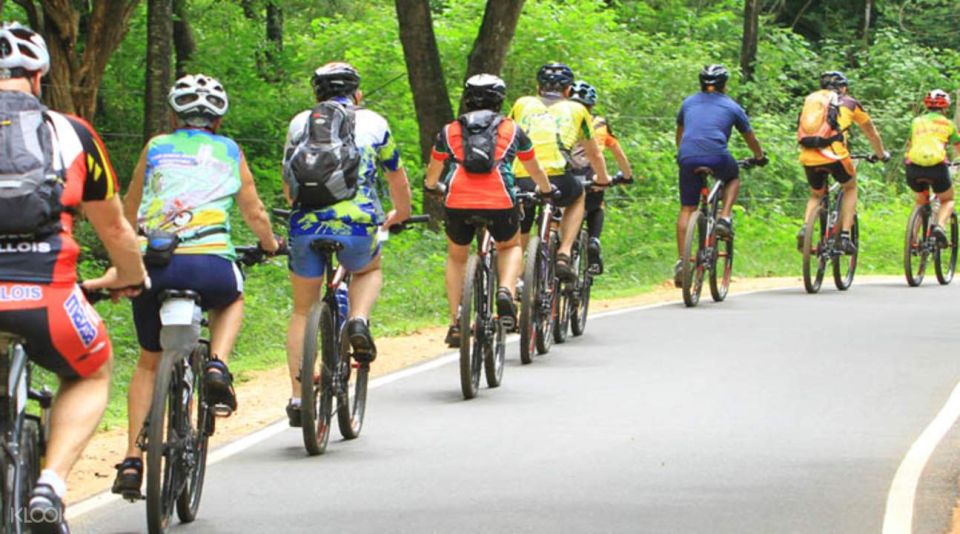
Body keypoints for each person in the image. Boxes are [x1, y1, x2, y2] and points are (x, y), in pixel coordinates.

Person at [0, 22, 147, 532]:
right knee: (92, 371)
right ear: (38, 76)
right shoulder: (72, 133)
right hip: (47, 298)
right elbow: (114, 227)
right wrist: (130, 276)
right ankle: (50, 485)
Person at [108, 73, 280, 497]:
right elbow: (254, 210)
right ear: (218, 119)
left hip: (157, 264)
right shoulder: (229, 150)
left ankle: (132, 460)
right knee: (233, 298)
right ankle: (218, 362)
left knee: (149, 362)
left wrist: (126, 249)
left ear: (174, 115)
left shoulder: (156, 146)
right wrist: (270, 244)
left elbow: (128, 207)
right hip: (210, 265)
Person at [282, 62, 412, 426]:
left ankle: (297, 396)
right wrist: (400, 212)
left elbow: (289, 183)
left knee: (302, 309)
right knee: (368, 269)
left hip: (306, 224)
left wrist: (299, 210)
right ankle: (357, 319)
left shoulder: (299, 123)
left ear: (316, 95)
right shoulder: (375, 123)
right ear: (357, 92)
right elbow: (395, 175)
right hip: (357, 223)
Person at [424, 74, 553, 348]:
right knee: (508, 246)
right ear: (500, 100)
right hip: (499, 200)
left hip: (457, 201)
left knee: (457, 257)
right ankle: (505, 291)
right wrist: (545, 189)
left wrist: (433, 186)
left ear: (467, 98)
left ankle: (457, 321)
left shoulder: (450, 130)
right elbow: (534, 168)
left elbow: (434, 171)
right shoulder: (512, 129)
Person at [508, 62, 610, 282]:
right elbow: (594, 154)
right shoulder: (578, 110)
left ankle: (514, 281)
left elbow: (507, 135)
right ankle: (564, 251)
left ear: (538, 87)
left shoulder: (522, 104)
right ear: (567, 90)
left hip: (522, 176)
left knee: (521, 228)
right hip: (557, 177)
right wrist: (602, 179)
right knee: (578, 196)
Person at [675, 64, 766, 286]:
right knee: (733, 176)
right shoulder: (732, 106)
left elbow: (680, 133)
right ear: (724, 85)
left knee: (687, 208)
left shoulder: (687, 103)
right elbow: (750, 138)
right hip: (717, 156)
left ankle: (682, 261)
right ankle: (724, 217)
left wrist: (682, 155)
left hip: (687, 156)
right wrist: (759, 156)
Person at [797, 71, 889, 253]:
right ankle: (845, 236)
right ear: (844, 88)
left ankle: (806, 227)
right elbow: (871, 132)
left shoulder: (812, 100)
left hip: (808, 155)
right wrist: (881, 154)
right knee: (850, 187)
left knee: (816, 194)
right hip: (835, 155)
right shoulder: (849, 103)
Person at [568, 80, 635, 274]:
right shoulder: (600, 124)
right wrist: (627, 175)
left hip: (564, 173)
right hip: (592, 174)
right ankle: (594, 240)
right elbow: (617, 150)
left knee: (563, 213)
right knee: (596, 207)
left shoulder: (560, 120)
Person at [904, 89, 960, 244]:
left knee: (921, 201)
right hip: (937, 168)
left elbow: (911, 143)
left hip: (913, 168)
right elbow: (957, 144)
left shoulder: (916, 122)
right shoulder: (948, 125)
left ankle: (913, 240)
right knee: (948, 200)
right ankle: (940, 227)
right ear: (946, 107)